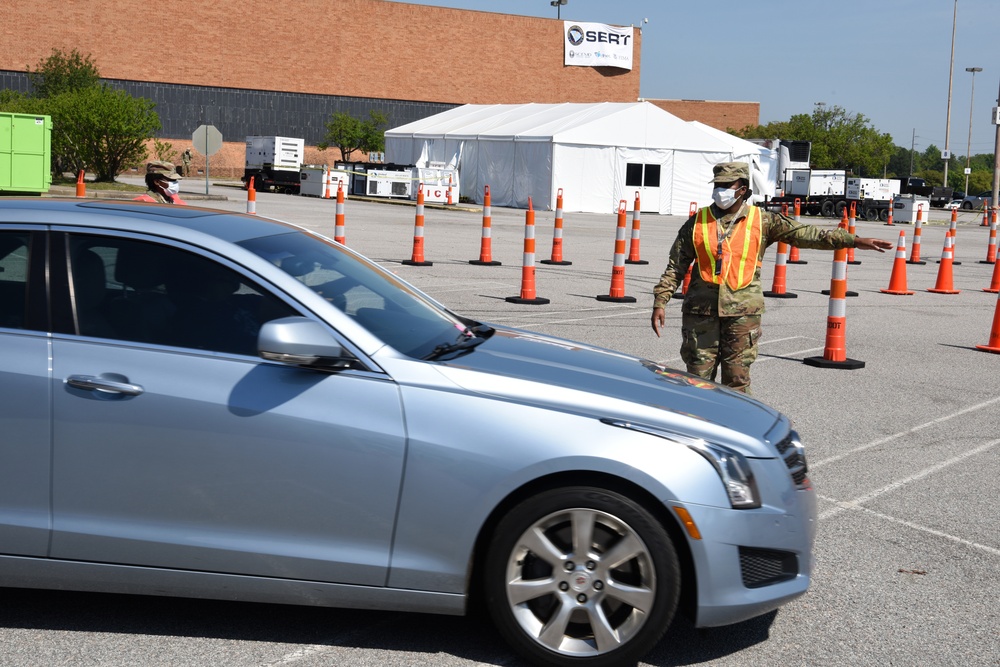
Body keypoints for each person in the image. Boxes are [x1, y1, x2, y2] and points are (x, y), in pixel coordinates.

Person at [650, 161, 893, 394]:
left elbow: (809, 234)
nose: (720, 191)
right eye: (717, 186)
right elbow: (675, 266)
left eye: (727, 186)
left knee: (737, 382)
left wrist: (855, 240)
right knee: (697, 381)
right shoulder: (698, 222)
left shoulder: (763, 220)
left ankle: (737, 431)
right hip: (700, 314)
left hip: (743, 316)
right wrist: (660, 301)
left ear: (743, 189)